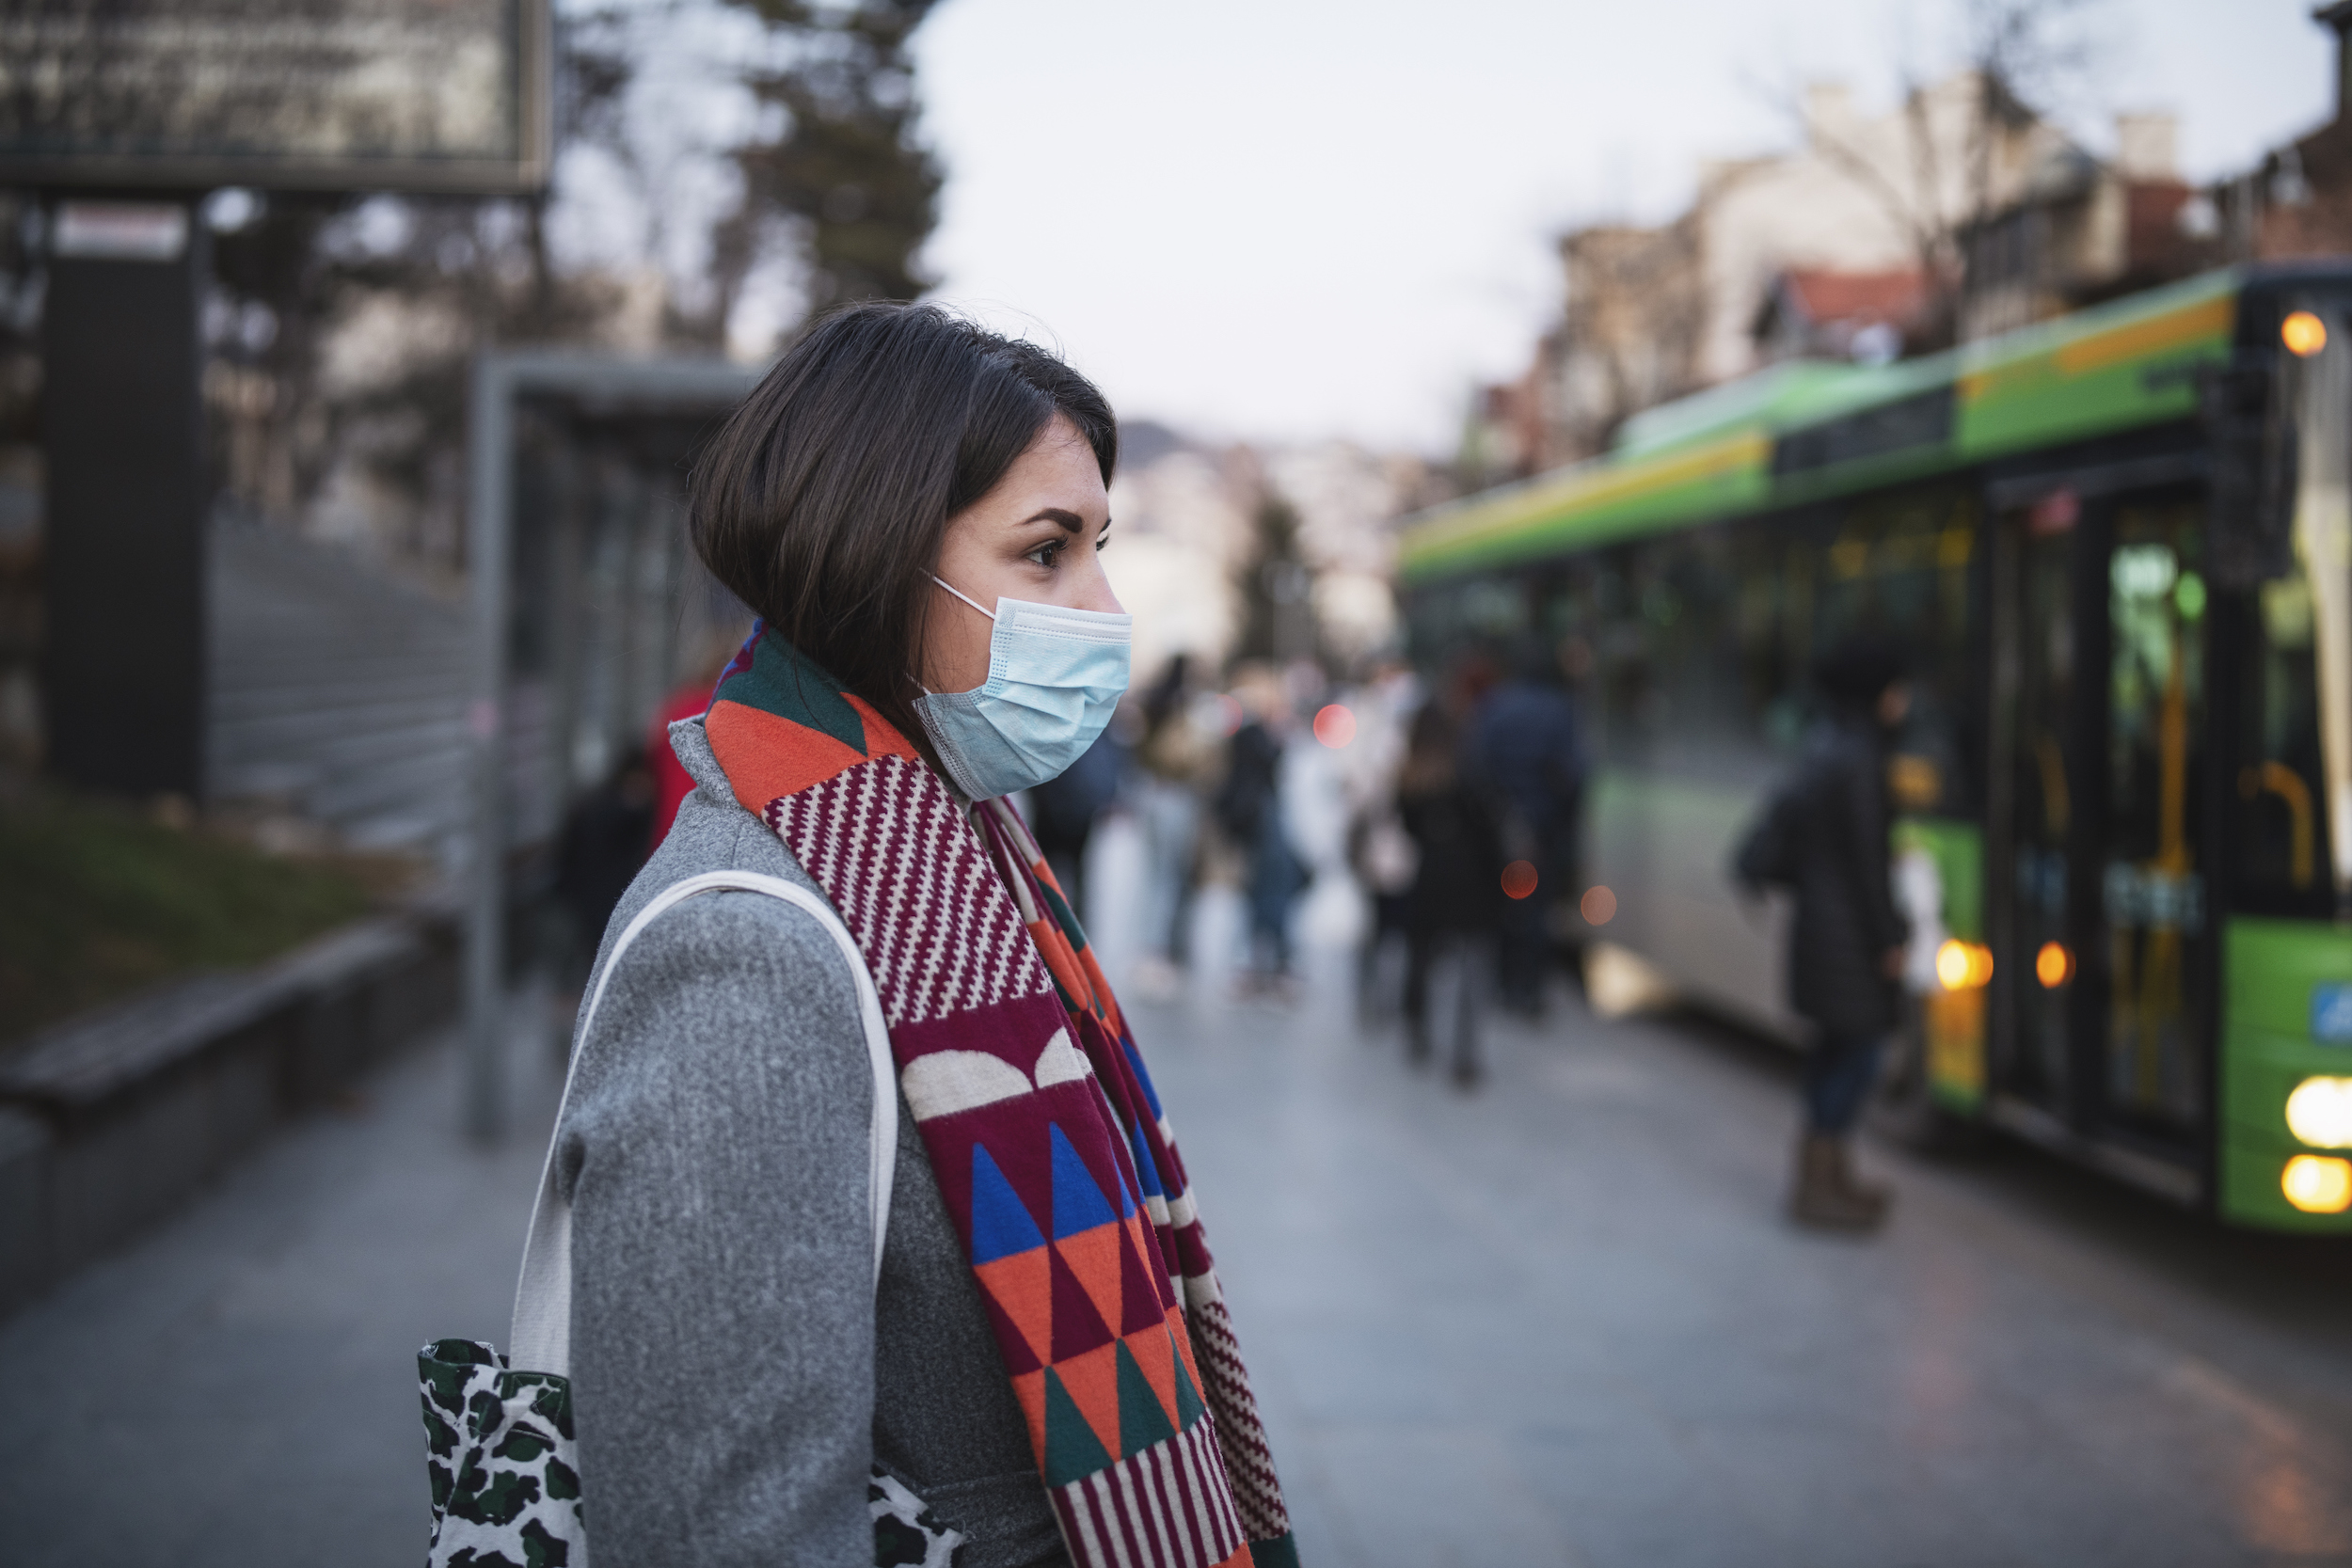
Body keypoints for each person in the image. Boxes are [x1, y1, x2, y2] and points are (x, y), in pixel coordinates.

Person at [550, 302, 1298, 1566]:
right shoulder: (744, 950)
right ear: (879, 558)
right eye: (1048, 550)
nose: (1104, 607)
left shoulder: (955, 850)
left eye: (1100, 547)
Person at [1738, 633, 1911, 1231]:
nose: (1904, 699)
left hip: (1820, 931)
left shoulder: (1824, 746)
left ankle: (1826, 1179)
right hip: (1848, 943)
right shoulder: (1859, 758)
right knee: (1856, 1058)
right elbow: (1868, 862)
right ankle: (1821, 1185)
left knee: (1833, 1054)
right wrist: (1889, 938)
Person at [1468, 638, 1585, 1017]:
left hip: (1501, 828)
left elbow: (1475, 768)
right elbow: (1573, 774)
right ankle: (1531, 988)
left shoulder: (1495, 707)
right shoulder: (1557, 710)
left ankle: (1506, 984)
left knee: (1504, 908)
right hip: (1542, 830)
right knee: (1536, 911)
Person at [1395, 702, 1503, 1088]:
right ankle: (1465, 1053)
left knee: (1423, 956)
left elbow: (1407, 825)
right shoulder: (1466, 770)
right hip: (1470, 880)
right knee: (1472, 966)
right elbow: (1488, 827)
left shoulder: (1411, 774)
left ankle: (1419, 1030)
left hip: (1429, 877)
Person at [1215, 665, 1307, 999]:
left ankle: (1258, 963)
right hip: (1261, 822)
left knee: (1261, 892)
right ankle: (1270, 964)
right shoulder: (1253, 732)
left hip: (1256, 821)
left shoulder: (1245, 730)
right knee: (1268, 891)